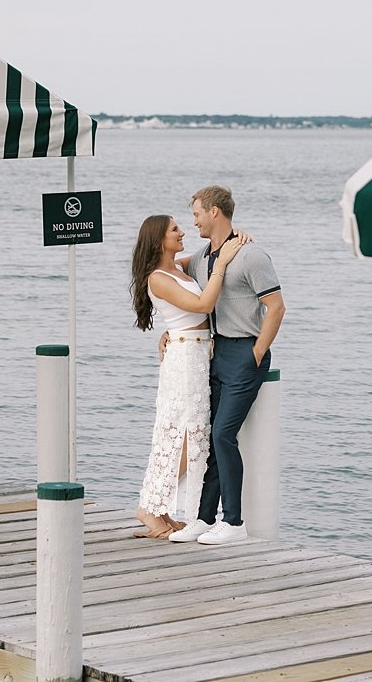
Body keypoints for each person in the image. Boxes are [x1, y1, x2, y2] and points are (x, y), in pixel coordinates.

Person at [167, 184, 286, 546]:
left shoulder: (252, 256)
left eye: (197, 214)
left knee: (222, 434)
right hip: (214, 355)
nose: (195, 221)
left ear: (215, 212)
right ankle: (203, 518)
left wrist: (257, 352)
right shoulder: (204, 257)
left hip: (244, 355)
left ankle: (233, 522)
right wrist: (169, 328)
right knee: (209, 437)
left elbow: (276, 307)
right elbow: (163, 265)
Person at [129, 214, 245, 539]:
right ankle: (149, 509)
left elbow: (213, 249)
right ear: (158, 240)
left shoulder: (175, 268)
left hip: (195, 354)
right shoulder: (157, 279)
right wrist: (221, 267)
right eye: (174, 230)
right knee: (182, 436)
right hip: (184, 360)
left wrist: (236, 238)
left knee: (185, 435)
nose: (182, 233)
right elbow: (204, 304)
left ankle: (158, 507)